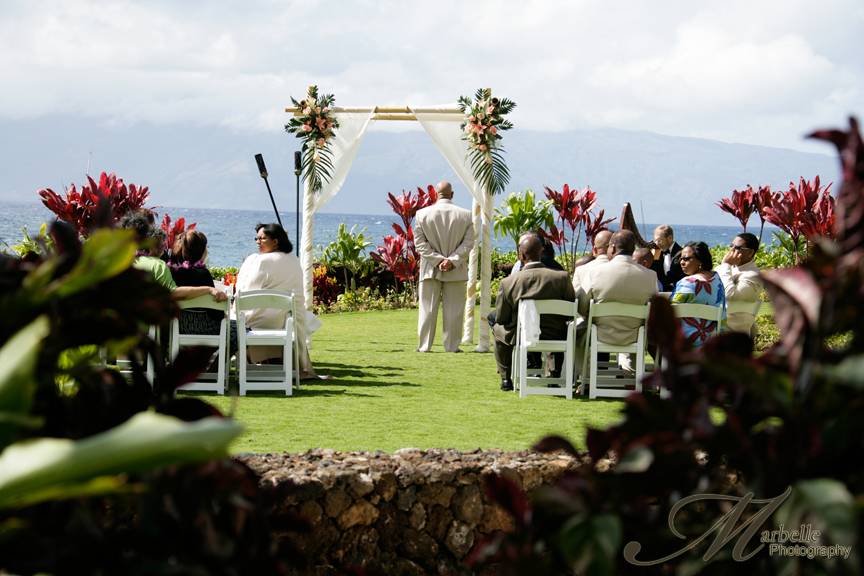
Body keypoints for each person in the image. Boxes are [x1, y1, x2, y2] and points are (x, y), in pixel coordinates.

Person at [237, 223, 323, 379]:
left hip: (260, 322)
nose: (258, 242)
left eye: (262, 238)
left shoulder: (261, 261)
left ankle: (220, 366)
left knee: (232, 318)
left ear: (275, 241)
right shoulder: (294, 260)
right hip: (290, 320)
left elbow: (246, 292)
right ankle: (272, 359)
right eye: (256, 238)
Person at [493, 234, 576, 391]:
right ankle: (555, 374)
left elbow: (502, 318)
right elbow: (570, 309)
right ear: (542, 251)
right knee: (564, 329)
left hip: (520, 334)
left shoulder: (509, 282)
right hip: (556, 334)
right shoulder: (562, 277)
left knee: (498, 330)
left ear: (521, 255)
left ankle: (505, 379)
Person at [575, 230, 658, 383]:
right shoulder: (650, 276)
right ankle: (629, 378)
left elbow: (581, 306)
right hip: (635, 336)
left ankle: (584, 377)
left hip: (598, 333)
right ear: (633, 249)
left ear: (612, 248)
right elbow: (654, 310)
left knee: (574, 332)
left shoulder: (595, 272)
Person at [414, 181, 474, 353]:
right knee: (454, 311)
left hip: (430, 270)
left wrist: (437, 260)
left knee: (427, 309)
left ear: (435, 194)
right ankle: (452, 346)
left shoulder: (421, 214)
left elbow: (420, 244)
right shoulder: (465, 215)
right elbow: (469, 243)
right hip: (456, 269)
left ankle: (424, 346)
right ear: (452, 194)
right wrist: (452, 260)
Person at [120, 211, 227, 303]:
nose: (163, 248)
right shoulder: (158, 265)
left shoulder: (118, 262)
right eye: (161, 245)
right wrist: (208, 289)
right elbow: (173, 293)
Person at [169, 229, 224, 335]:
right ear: (201, 251)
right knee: (239, 331)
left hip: (178, 327)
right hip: (205, 328)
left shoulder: (173, 272)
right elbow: (216, 313)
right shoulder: (203, 274)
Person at [671, 241, 726, 347]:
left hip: (685, 339)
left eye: (686, 259)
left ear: (700, 261)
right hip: (713, 339)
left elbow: (668, 310)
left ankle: (661, 363)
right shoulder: (717, 280)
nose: (681, 262)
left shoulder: (688, 282)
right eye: (681, 259)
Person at [715, 232, 762, 334]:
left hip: (732, 333)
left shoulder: (753, 275)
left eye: (737, 248)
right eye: (731, 246)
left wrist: (725, 265)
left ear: (750, 253)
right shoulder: (731, 268)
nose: (732, 250)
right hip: (716, 324)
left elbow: (730, 295)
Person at [649, 224, 684, 292]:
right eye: (655, 240)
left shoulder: (681, 253)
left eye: (659, 240)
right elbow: (654, 272)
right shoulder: (657, 252)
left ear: (670, 238)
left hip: (677, 290)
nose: (656, 243)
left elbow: (674, 276)